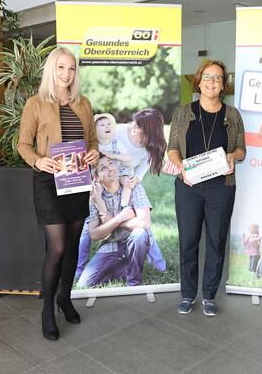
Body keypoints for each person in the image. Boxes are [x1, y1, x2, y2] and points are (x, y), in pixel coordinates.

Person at [17, 47, 99, 341]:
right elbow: (23, 144)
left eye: (72, 68)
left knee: (74, 247)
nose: (67, 74)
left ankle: (65, 298)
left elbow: (92, 141)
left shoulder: (84, 103)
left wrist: (93, 154)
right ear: (52, 70)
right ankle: (48, 310)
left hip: (77, 181)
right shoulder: (36, 103)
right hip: (49, 183)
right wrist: (38, 160)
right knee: (58, 248)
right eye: (61, 68)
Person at [168, 59, 246, 317]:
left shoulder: (232, 114)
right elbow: (172, 150)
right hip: (188, 188)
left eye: (218, 78)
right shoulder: (182, 113)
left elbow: (241, 150)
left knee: (216, 241)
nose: (212, 82)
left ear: (223, 84)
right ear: (198, 81)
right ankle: (189, 294)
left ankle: (210, 295)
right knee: (188, 241)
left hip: (221, 188)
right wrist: (182, 168)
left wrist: (233, 157)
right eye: (208, 77)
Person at [76, 109, 167, 278]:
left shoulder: (149, 150)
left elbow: (138, 176)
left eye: (138, 126)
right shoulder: (118, 131)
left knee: (141, 223)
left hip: (124, 187)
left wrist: (127, 180)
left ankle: (159, 264)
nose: (133, 126)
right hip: (102, 179)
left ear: (149, 131)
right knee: (89, 224)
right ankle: (79, 270)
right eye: (134, 122)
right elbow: (99, 147)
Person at [76, 155, 152, 287]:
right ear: (96, 177)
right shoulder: (95, 197)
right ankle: (124, 267)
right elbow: (94, 234)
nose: (109, 168)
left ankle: (133, 282)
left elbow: (144, 223)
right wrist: (120, 217)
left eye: (111, 163)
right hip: (110, 244)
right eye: (103, 168)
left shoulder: (134, 187)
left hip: (132, 240)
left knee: (139, 234)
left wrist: (111, 222)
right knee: (84, 284)